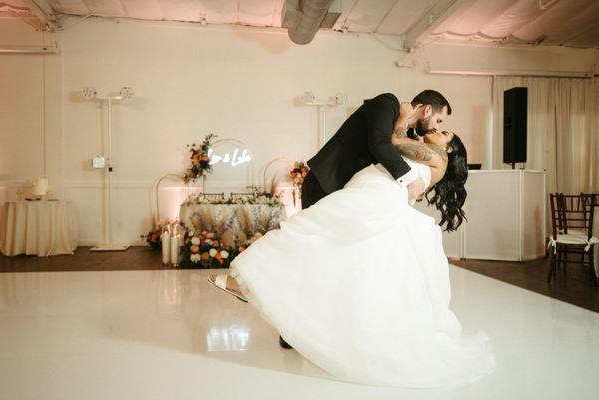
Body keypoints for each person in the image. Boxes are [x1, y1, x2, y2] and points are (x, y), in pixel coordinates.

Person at [207, 103, 495, 387]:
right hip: (367, 193)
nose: (437, 129)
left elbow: (392, 143)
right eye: (440, 125)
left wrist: (404, 117)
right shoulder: (429, 154)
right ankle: (276, 300)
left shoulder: (433, 156)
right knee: (328, 249)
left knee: (307, 232)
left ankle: (246, 282)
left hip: (373, 198)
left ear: (447, 150)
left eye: (445, 134)